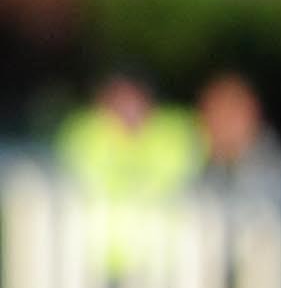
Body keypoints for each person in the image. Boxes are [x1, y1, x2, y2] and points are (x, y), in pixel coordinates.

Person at [56, 72, 201, 269]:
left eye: (133, 99)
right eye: (118, 99)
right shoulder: (82, 136)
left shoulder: (176, 135)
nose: (127, 108)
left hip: (163, 264)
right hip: (96, 265)